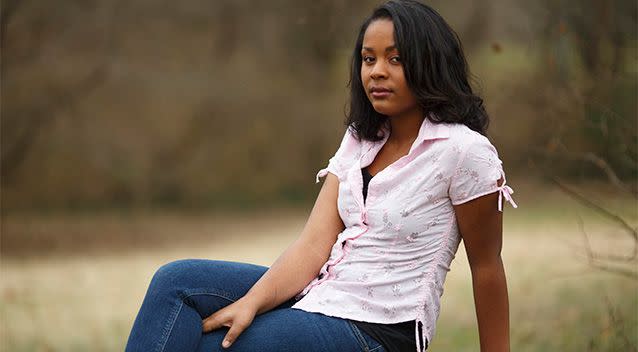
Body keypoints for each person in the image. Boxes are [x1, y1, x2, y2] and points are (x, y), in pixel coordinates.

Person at [124, 1, 517, 351]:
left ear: (429, 62)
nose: (377, 72)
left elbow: (486, 266)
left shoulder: (464, 152)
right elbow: (313, 246)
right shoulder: (361, 140)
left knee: (209, 346)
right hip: (322, 294)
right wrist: (252, 303)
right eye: (368, 59)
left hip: (378, 330)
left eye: (395, 59)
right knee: (175, 283)